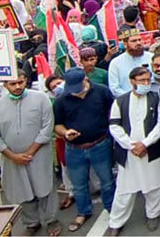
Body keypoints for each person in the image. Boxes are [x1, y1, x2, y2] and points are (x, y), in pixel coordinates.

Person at [0, 70, 61, 236]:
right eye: (12, 84)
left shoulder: (41, 99)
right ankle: (31, 223)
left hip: (38, 155)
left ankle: (52, 220)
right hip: (12, 158)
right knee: (21, 190)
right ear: (5, 85)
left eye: (20, 82)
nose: (17, 87)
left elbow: (47, 127)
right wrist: (13, 156)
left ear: (26, 81)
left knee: (45, 188)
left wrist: (29, 152)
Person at [106, 67, 160, 235]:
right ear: (132, 81)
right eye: (142, 81)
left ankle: (152, 215)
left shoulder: (157, 99)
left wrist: (146, 144)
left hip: (152, 150)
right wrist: (131, 145)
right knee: (124, 191)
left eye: (148, 80)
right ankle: (116, 222)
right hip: (129, 153)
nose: (146, 84)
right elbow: (114, 126)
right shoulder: (120, 101)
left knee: (155, 186)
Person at [53, 67, 116, 233]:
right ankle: (83, 212)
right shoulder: (61, 100)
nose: (75, 93)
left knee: (107, 181)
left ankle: (112, 210)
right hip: (74, 150)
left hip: (100, 144)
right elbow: (57, 125)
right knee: (79, 185)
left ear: (85, 80)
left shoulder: (102, 92)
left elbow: (113, 113)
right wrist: (66, 132)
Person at [108, 28, 153, 97]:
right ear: (125, 44)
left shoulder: (151, 57)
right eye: (134, 41)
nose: (138, 43)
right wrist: (132, 97)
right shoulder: (116, 63)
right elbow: (114, 88)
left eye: (139, 40)